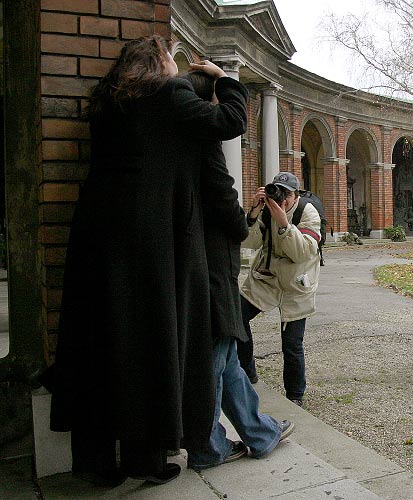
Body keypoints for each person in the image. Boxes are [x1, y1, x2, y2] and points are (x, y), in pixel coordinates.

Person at [48, 35, 249, 486]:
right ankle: (146, 458)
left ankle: (98, 463)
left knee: (101, 345)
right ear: (160, 63)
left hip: (97, 238)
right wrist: (223, 79)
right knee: (151, 345)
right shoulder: (169, 94)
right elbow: (230, 121)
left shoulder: (106, 103)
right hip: (151, 242)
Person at [180, 71, 295, 470]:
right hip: (212, 266)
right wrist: (247, 216)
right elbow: (234, 223)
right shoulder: (202, 142)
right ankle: (207, 446)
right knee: (214, 360)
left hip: (203, 265)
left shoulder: (171, 142)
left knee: (226, 356)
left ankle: (259, 433)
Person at [237, 172, 322, 407]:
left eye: (287, 193)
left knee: (292, 343)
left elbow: (302, 253)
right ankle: (247, 372)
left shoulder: (307, 211)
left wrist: (284, 223)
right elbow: (248, 243)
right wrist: (254, 212)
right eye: (278, 191)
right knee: (237, 315)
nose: (281, 198)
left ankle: (295, 394)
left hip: (297, 281)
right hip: (267, 276)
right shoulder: (266, 209)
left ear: (295, 195)